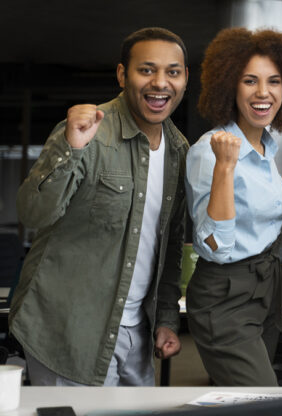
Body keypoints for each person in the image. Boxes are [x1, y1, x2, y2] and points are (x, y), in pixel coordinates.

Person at [11, 27, 189, 386]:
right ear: (123, 74)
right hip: (68, 330)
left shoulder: (180, 150)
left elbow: (170, 245)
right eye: (146, 69)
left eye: (173, 71)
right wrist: (71, 147)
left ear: (185, 78)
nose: (160, 82)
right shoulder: (88, 131)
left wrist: (167, 316)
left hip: (137, 335)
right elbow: (32, 213)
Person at [185, 28, 282, 386]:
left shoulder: (264, 147)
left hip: (267, 285)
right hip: (226, 293)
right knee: (260, 397)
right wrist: (224, 168)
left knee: (243, 400)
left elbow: (262, 205)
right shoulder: (210, 151)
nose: (264, 92)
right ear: (230, 85)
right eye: (250, 81)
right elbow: (214, 244)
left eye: (274, 81)